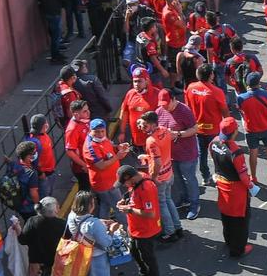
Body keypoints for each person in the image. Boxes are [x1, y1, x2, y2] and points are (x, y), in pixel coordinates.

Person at [210, 117, 260, 258]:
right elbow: (243, 176)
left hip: (221, 184)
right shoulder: (236, 152)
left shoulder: (213, 142)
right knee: (240, 220)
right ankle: (238, 249)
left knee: (226, 215)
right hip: (236, 190)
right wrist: (252, 187)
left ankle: (229, 241)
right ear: (235, 132)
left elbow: (213, 160)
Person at [155, 89, 201, 220]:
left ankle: (195, 204)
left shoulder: (184, 111)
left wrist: (178, 134)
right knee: (177, 179)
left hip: (187, 154)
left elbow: (195, 129)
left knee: (189, 179)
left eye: (166, 104)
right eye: (162, 104)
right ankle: (184, 199)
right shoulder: (159, 111)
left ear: (174, 99)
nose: (164, 107)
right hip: (171, 154)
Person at [116, 165, 162, 276]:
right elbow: (132, 193)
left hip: (146, 232)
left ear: (130, 178)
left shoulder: (146, 188)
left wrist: (129, 210)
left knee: (147, 259)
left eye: (125, 183)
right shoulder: (137, 180)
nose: (125, 186)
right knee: (136, 254)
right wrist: (124, 200)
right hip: (135, 229)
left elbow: (150, 213)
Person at [138, 111, 181, 243]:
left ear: (152, 125)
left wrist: (153, 177)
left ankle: (170, 232)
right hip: (169, 172)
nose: (142, 128)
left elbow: (157, 162)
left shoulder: (151, 141)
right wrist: (148, 157)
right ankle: (178, 227)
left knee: (162, 204)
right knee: (168, 199)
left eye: (145, 125)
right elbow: (161, 151)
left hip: (160, 177)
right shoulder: (164, 130)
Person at [184, 63, 229, 186]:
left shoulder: (190, 88)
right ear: (211, 75)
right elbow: (225, 111)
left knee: (202, 154)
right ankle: (220, 176)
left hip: (196, 128)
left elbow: (187, 107)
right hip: (213, 130)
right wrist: (228, 124)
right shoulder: (217, 92)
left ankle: (205, 177)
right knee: (218, 153)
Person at [236, 72, 267, 184]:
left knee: (253, 152)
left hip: (251, 129)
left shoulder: (241, 98)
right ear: (258, 82)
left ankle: (253, 177)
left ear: (247, 84)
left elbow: (241, 112)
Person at [66, 191, 113, 276]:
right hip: (96, 256)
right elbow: (107, 242)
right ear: (90, 205)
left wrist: (100, 222)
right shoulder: (93, 224)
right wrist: (112, 230)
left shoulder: (71, 216)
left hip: (80, 254)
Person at [13, 196, 65, 276]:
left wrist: (17, 228)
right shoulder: (62, 224)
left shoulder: (32, 221)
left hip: (37, 266)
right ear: (55, 209)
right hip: (56, 264)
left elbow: (23, 240)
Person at [82, 118, 128, 218]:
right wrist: (117, 157)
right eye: (97, 132)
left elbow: (109, 148)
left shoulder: (102, 139)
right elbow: (101, 165)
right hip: (105, 184)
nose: (100, 134)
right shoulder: (91, 147)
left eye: (102, 131)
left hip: (111, 180)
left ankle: (103, 223)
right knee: (119, 207)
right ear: (90, 131)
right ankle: (127, 226)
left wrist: (117, 147)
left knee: (105, 205)